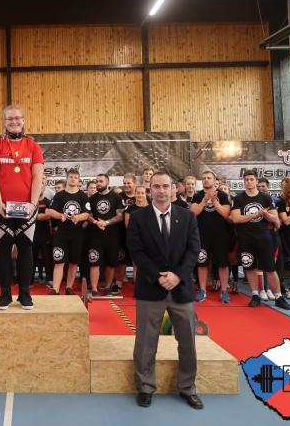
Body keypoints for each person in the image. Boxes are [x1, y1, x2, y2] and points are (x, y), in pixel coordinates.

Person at [127, 171, 202, 410]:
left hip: (182, 289)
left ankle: (188, 388)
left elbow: (193, 250)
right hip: (150, 288)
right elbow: (136, 251)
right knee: (146, 342)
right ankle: (145, 387)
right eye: (156, 186)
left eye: (165, 186)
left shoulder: (187, 216)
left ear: (173, 189)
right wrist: (158, 276)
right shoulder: (138, 218)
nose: (161, 190)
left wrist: (177, 275)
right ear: (150, 189)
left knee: (188, 341)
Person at [0, 104, 44, 310]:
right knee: (2, 250)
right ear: (4, 122)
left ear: (23, 121)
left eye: (17, 118)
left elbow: (38, 177)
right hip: (1, 207)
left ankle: (25, 294)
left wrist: (33, 204)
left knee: (26, 249)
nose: (14, 121)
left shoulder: (33, 146)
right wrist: (0, 202)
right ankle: (5, 295)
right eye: (10, 118)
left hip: (27, 209)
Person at [230, 171, 290, 310]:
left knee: (270, 268)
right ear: (244, 181)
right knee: (250, 267)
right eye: (246, 179)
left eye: (251, 179)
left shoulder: (265, 198)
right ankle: (255, 296)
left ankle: (278, 297)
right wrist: (256, 214)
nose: (249, 182)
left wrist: (267, 215)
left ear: (256, 181)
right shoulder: (239, 198)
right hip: (245, 238)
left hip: (264, 238)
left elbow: (275, 218)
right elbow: (235, 218)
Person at [47, 168, 90, 296]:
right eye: (70, 177)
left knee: (73, 262)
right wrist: (60, 215)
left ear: (79, 180)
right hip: (61, 234)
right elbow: (50, 211)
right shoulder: (59, 195)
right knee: (59, 261)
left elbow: (87, 214)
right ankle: (55, 289)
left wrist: (78, 217)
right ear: (67, 178)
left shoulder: (83, 196)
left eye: (75, 177)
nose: (73, 179)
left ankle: (69, 288)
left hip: (77, 234)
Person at [191, 171, 232, 303]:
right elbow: (193, 213)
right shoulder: (197, 196)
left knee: (223, 264)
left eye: (209, 178)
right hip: (202, 235)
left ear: (215, 181)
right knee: (202, 263)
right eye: (204, 178)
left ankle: (224, 291)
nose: (206, 180)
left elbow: (226, 214)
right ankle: (202, 290)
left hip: (220, 235)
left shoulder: (223, 195)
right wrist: (204, 200)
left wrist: (215, 202)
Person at [87, 173, 124, 298]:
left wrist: (106, 222)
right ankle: (94, 288)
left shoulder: (116, 197)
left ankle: (107, 287)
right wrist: (96, 222)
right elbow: (88, 215)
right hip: (95, 234)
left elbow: (120, 216)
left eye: (101, 181)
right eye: (97, 181)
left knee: (110, 262)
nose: (98, 183)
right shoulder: (92, 198)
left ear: (107, 182)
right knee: (94, 261)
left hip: (112, 235)